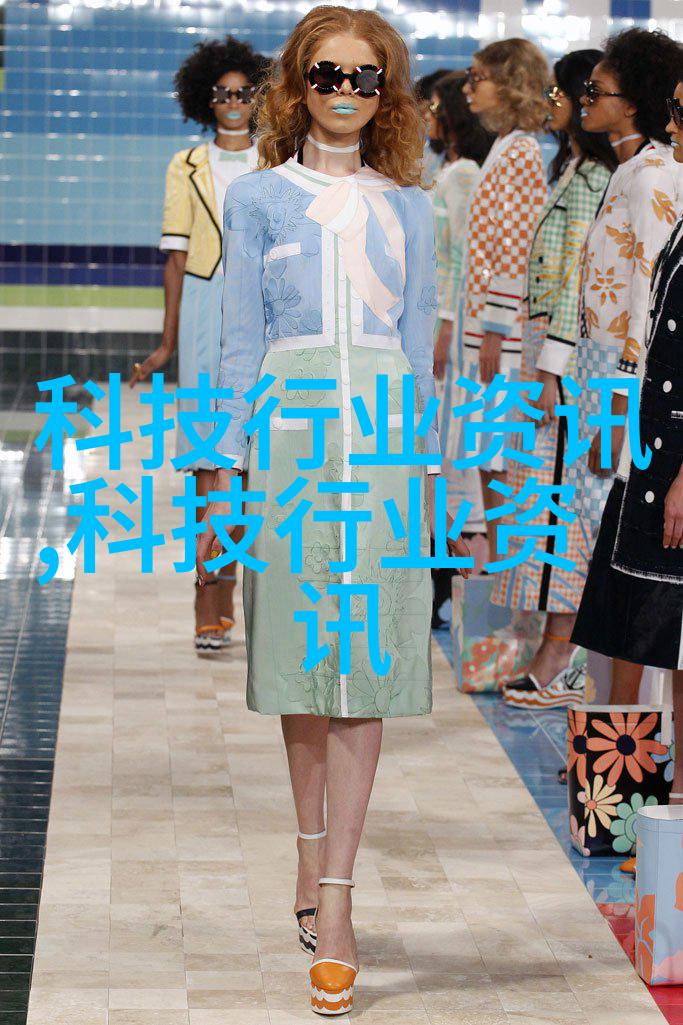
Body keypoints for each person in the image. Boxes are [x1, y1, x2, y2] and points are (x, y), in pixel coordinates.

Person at [194, 7, 470, 1015]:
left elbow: (422, 348)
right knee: (302, 658)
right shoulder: (259, 198)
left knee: (368, 663)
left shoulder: (412, 210)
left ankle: (340, 896)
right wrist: (222, 465)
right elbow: (236, 344)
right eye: (327, 74)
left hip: (383, 441)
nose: (345, 91)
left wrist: (435, 476)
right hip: (289, 439)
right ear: (297, 83)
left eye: (364, 76)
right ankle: (308, 851)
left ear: (385, 90)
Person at [129, 36, 269, 654]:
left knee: (254, 456)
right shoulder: (185, 164)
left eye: (243, 93)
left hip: (263, 308)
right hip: (204, 308)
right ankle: (209, 604)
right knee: (209, 457)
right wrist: (167, 342)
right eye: (222, 94)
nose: (233, 102)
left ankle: (250, 601)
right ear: (205, 100)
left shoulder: (277, 160)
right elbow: (176, 257)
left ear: (257, 98)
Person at [488, 50, 617, 709]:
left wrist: (551, 367)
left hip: (565, 359)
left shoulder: (598, 176)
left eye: (563, 92)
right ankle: (550, 646)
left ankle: (561, 655)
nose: (555, 102)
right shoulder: (569, 167)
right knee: (540, 502)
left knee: (561, 506)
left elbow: (576, 277)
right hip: (544, 346)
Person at [572, 76, 683, 818]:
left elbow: (638, 304)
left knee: (654, 615)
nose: (674, 124)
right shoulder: (651, 180)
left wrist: (617, 410)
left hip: (656, 426)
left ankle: (647, 784)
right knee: (626, 604)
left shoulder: (652, 179)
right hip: (641, 413)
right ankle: (620, 780)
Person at [460, 39, 549, 563]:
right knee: (488, 458)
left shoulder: (520, 151)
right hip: (488, 327)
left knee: (498, 458)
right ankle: (500, 568)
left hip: (504, 333)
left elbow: (516, 246)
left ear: (510, 84)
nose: (468, 88)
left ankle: (506, 567)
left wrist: (495, 328)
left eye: (479, 78)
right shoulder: (504, 146)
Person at [428, 72, 494, 626]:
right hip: (434, 325)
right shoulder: (445, 171)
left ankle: (459, 585)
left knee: (453, 456)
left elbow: (467, 259)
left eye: (435, 106)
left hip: (450, 335)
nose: (427, 115)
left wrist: (447, 326)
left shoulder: (467, 174)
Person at [414, 67, 450, 185]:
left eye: (431, 108)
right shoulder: (430, 148)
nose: (426, 117)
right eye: (421, 112)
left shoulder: (465, 163)